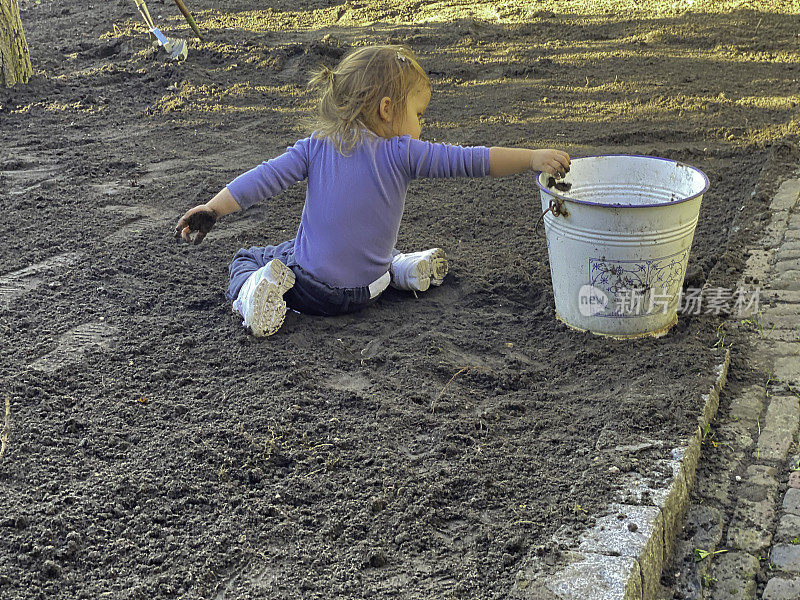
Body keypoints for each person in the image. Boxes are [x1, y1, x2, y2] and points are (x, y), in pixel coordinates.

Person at [174, 45, 570, 337]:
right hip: (369, 291)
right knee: (362, 245)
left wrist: (213, 208)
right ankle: (399, 270)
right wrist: (532, 156)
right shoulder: (404, 153)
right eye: (418, 114)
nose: (422, 126)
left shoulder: (314, 146)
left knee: (251, 257)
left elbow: (264, 178)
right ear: (386, 109)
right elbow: (474, 159)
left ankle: (252, 296)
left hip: (314, 294)